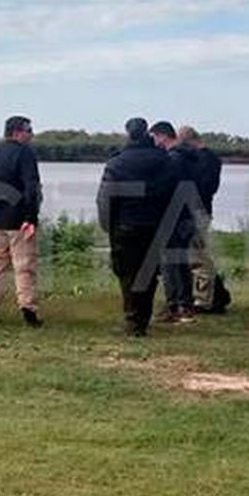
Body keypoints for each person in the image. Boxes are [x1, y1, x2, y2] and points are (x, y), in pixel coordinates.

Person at [97, 118, 174, 336]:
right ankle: (142, 319)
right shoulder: (165, 161)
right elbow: (171, 194)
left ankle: (133, 320)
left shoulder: (117, 163)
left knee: (127, 274)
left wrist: (107, 226)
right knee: (149, 274)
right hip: (156, 225)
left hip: (126, 226)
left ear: (128, 134)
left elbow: (106, 200)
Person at [0, 115, 42, 327]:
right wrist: (31, 217)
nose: (31, 135)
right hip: (18, 219)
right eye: (28, 130)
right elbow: (32, 187)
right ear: (16, 132)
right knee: (24, 265)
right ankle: (28, 306)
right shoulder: (25, 153)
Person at [150, 120, 198, 324]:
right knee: (182, 261)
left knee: (169, 262)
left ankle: (174, 306)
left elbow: (165, 188)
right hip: (188, 214)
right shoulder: (190, 157)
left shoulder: (172, 160)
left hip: (173, 216)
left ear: (162, 136)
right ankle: (186, 304)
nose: (153, 142)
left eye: (154, 137)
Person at [177, 126, 222, 313]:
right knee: (195, 256)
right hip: (201, 211)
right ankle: (211, 296)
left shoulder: (204, 160)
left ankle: (203, 300)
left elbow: (203, 187)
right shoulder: (211, 159)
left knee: (198, 258)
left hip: (197, 213)